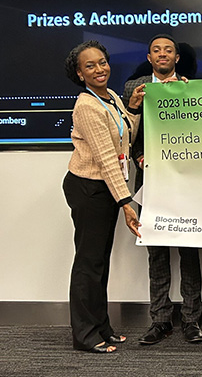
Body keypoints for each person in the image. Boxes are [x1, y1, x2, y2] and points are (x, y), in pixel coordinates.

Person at [121, 34, 202, 345]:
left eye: (169, 50)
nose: (163, 54)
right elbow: (125, 131)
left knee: (188, 248)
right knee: (156, 250)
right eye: (157, 50)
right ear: (150, 56)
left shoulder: (189, 87)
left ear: (177, 58)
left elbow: (198, 130)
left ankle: (192, 320)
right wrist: (137, 154)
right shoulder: (134, 87)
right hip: (149, 180)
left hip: (183, 180)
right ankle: (160, 320)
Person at [63, 40, 144, 353]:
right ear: (80, 74)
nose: (99, 69)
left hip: (105, 188)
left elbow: (126, 137)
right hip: (89, 188)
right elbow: (107, 158)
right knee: (88, 263)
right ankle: (84, 335)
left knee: (99, 262)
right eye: (90, 66)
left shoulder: (109, 97)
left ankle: (102, 327)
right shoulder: (86, 105)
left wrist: (133, 108)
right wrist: (126, 203)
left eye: (102, 62)